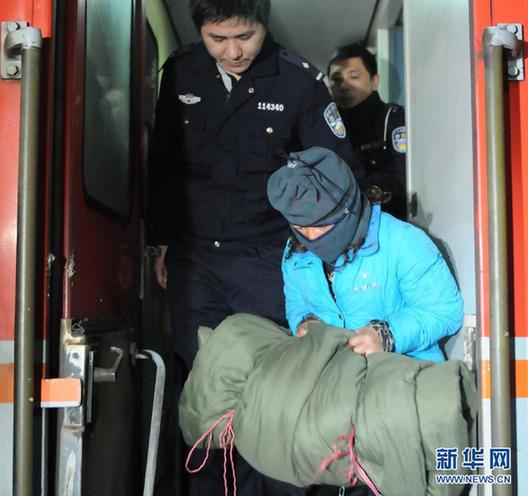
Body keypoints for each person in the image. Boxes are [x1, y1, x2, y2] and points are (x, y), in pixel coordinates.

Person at [148, 1, 362, 494]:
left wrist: (322, 254)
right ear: (201, 32)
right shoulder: (181, 72)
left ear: (263, 25)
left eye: (244, 37)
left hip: (268, 258)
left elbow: (336, 173)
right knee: (204, 381)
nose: (232, 52)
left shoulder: (298, 81)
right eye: (217, 39)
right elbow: (163, 162)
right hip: (195, 258)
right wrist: (159, 239)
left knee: (269, 381)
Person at [267, 146, 463, 363]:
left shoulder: (403, 241)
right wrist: (305, 322)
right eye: (301, 228)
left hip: (401, 369)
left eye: (322, 226)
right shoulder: (296, 251)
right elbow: (296, 301)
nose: (312, 238)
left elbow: (444, 310)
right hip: (334, 371)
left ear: (347, 209)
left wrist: (387, 335)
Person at [328, 43, 407, 220]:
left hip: (390, 222)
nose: (344, 86)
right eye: (336, 79)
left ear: (375, 81)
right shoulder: (325, 128)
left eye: (354, 77)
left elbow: (405, 179)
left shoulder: (394, 119)